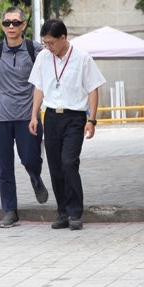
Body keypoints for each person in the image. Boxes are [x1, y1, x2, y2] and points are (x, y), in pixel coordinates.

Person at [29, 19, 105, 231]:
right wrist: (34, 115)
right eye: (45, 43)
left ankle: (75, 212)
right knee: (54, 165)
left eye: (51, 42)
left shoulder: (82, 58)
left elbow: (93, 89)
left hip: (74, 118)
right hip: (51, 116)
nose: (48, 47)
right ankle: (62, 211)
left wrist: (92, 120)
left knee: (69, 162)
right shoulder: (44, 58)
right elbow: (39, 88)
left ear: (63, 38)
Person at [0, 6, 48, 228]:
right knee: (4, 166)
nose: (11, 27)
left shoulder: (35, 50)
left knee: (30, 158)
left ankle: (36, 178)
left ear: (24, 25)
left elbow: (43, 81)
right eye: (6, 23)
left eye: (15, 23)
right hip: (2, 116)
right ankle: (10, 210)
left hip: (28, 116)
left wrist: (36, 112)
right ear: (2, 25)